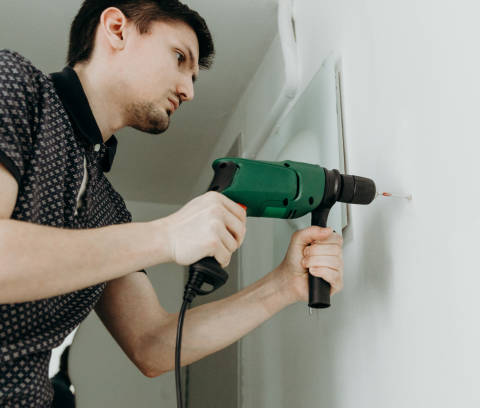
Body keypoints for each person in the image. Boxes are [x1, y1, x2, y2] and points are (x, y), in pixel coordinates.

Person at [0, 1, 344, 406]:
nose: (190, 90)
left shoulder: (108, 209)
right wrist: (165, 234)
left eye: (193, 74)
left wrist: (283, 285)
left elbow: (153, 345)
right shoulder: (14, 83)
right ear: (116, 28)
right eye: (179, 58)